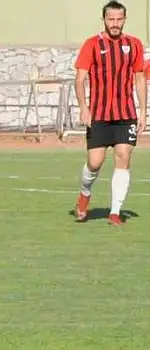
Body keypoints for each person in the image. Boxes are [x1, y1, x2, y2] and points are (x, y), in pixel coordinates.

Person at [73, 0, 146, 224]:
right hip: (100, 115)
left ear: (125, 20)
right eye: (110, 19)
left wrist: (143, 111)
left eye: (119, 19)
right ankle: (85, 194)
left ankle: (114, 212)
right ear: (104, 20)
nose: (115, 23)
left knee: (124, 155)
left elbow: (140, 78)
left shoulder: (134, 44)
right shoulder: (92, 44)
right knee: (95, 162)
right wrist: (84, 107)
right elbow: (80, 79)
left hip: (126, 115)